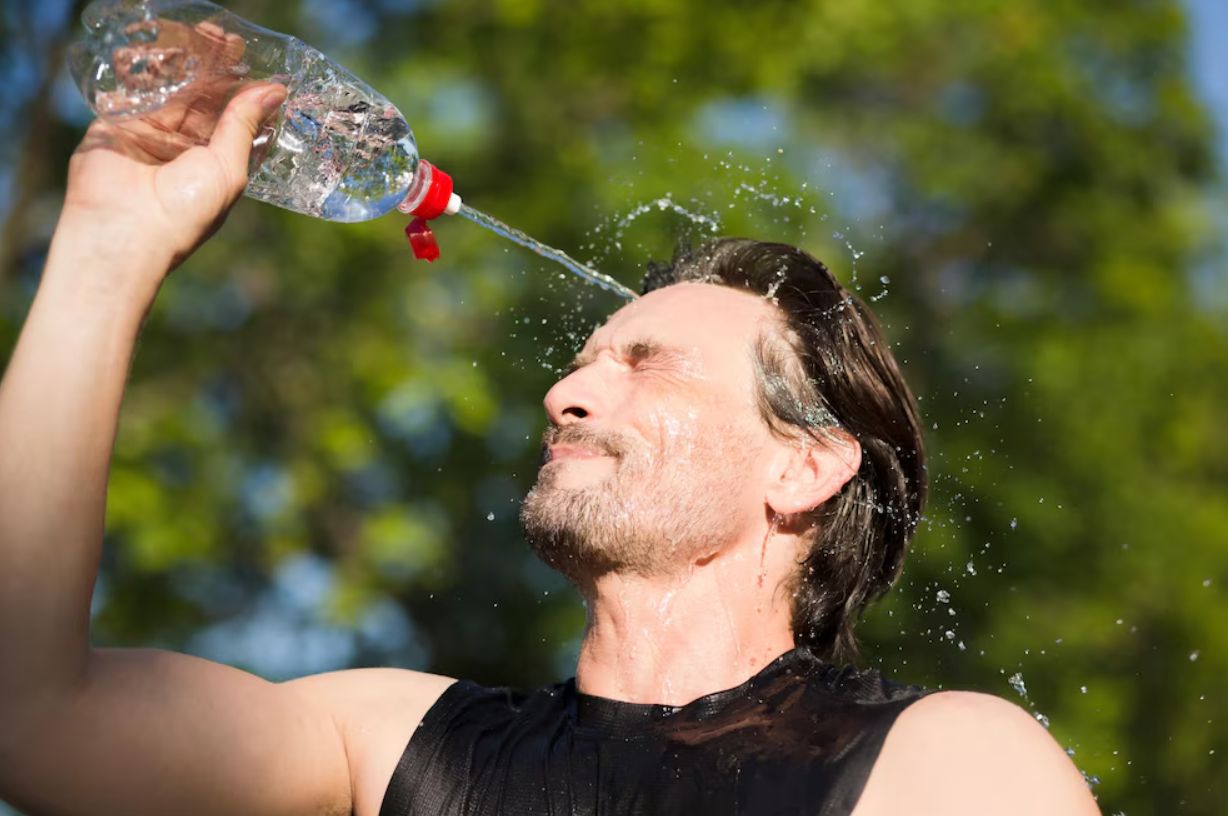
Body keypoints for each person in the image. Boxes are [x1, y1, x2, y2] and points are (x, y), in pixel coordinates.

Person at [0, 86, 1100, 816]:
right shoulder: (394, 745)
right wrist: (107, 247)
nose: (566, 392)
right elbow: (33, 721)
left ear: (802, 468)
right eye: (583, 361)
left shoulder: (941, 765)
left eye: (647, 362)